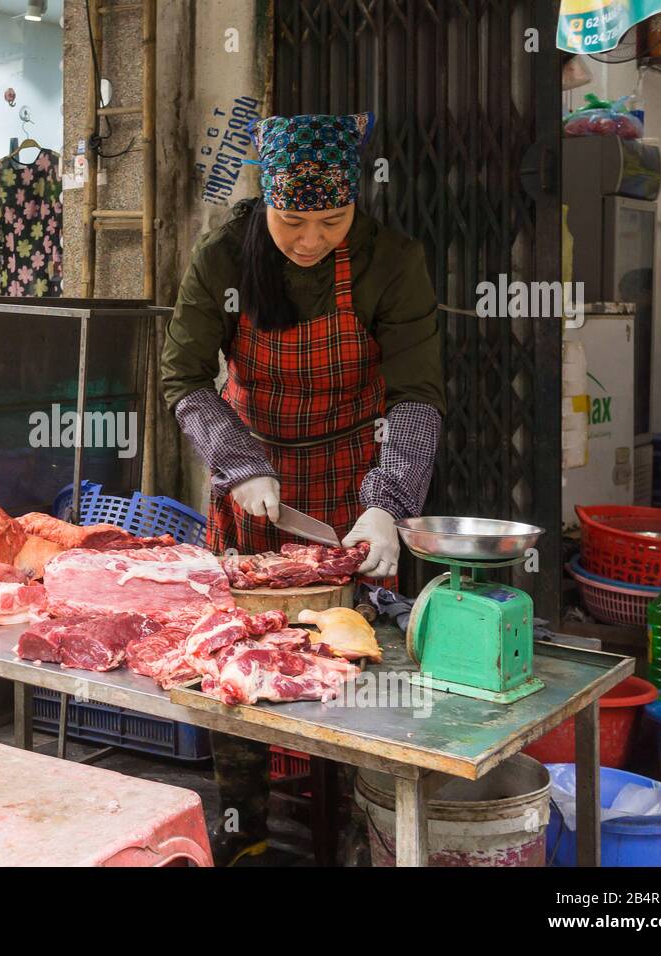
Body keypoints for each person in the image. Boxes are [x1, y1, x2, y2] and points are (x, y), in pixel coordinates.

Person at [161, 112, 445, 865]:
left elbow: (417, 396)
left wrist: (389, 503)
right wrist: (235, 457)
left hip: (355, 483)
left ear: (356, 202)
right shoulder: (225, 255)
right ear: (267, 202)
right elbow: (182, 378)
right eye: (292, 221)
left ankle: (350, 831)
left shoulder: (392, 260)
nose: (312, 239)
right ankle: (246, 832)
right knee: (242, 676)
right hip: (250, 485)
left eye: (332, 219)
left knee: (349, 673)